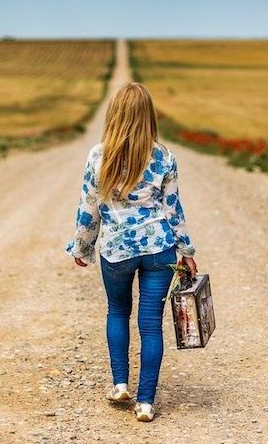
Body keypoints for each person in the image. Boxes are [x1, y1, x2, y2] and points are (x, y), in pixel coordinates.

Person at [66, 82, 197, 423]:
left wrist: (82, 246)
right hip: (159, 248)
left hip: (117, 250)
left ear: (115, 115)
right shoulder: (164, 157)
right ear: (148, 118)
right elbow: (173, 209)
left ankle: (120, 382)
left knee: (117, 311)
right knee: (151, 325)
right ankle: (145, 403)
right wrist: (186, 250)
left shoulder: (99, 155)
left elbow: (88, 209)